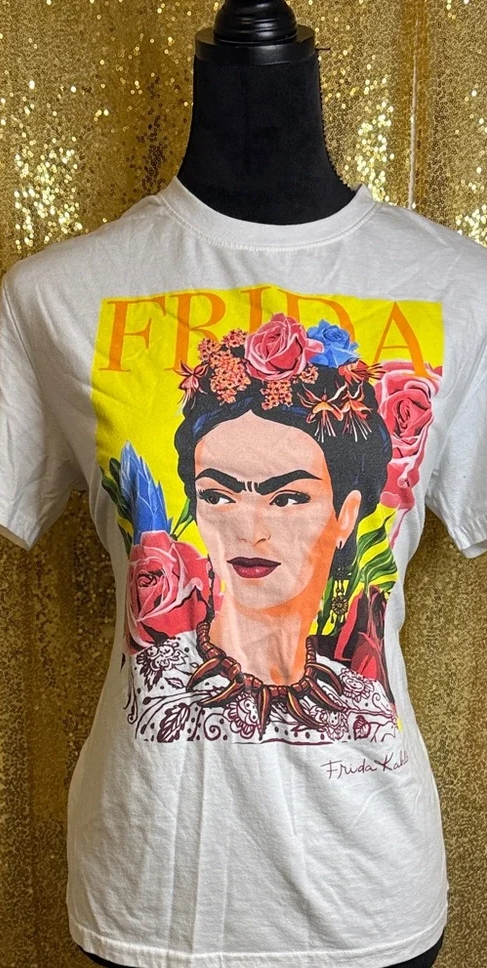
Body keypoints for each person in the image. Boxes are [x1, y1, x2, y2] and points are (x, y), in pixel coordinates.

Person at [113, 312, 414, 744]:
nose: (249, 532)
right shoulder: (157, 685)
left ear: (346, 514)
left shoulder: (365, 704)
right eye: (218, 496)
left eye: (286, 498)